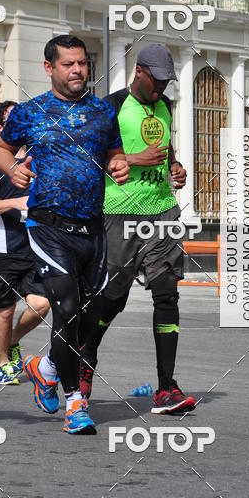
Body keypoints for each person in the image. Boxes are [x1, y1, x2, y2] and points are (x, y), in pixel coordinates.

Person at [0, 35, 129, 435]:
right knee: (66, 308)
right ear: (49, 67)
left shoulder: (103, 112)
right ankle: (75, 403)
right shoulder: (32, 111)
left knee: (90, 316)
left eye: (83, 64)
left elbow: (113, 154)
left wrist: (118, 163)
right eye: (69, 64)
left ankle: (45, 366)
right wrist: (11, 169)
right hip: (48, 226)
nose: (78, 71)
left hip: (93, 227)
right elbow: (1, 147)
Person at [80, 43, 195, 414]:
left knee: (167, 294)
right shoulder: (110, 106)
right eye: (157, 81)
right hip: (118, 215)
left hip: (162, 212)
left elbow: (166, 150)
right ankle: (85, 356)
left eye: (166, 82)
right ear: (140, 72)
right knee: (113, 298)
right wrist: (133, 159)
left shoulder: (164, 106)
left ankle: (166, 388)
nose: (161, 89)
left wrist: (175, 168)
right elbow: (87, 157)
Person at [0, 100, 50, 385]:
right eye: (12, 120)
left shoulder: (37, 159)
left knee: (42, 304)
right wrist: (15, 203)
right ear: (0, 127)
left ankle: (13, 341)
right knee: (5, 311)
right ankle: (2, 363)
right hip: (2, 248)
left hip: (35, 246)